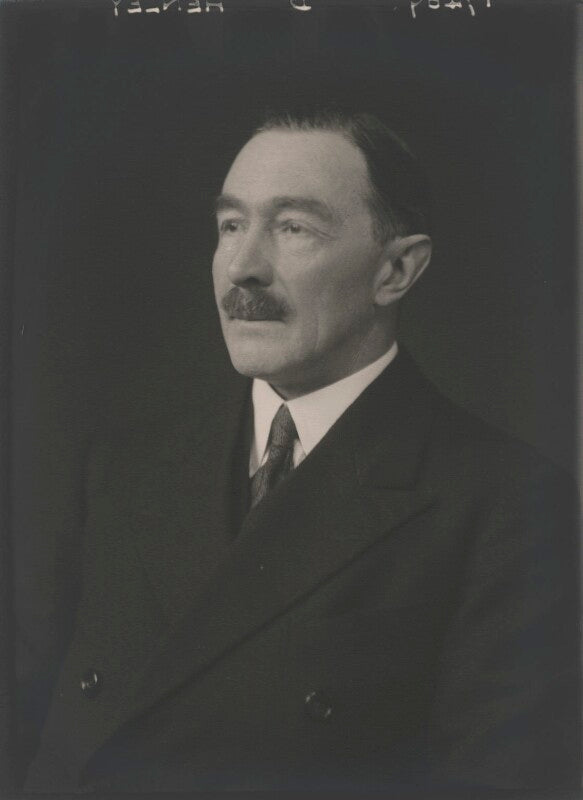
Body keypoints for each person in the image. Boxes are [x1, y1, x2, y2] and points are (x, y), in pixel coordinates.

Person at [22, 109, 580, 794]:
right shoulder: (122, 467)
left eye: (293, 229)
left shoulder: (507, 505)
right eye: (231, 225)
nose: (242, 269)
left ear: (396, 270)